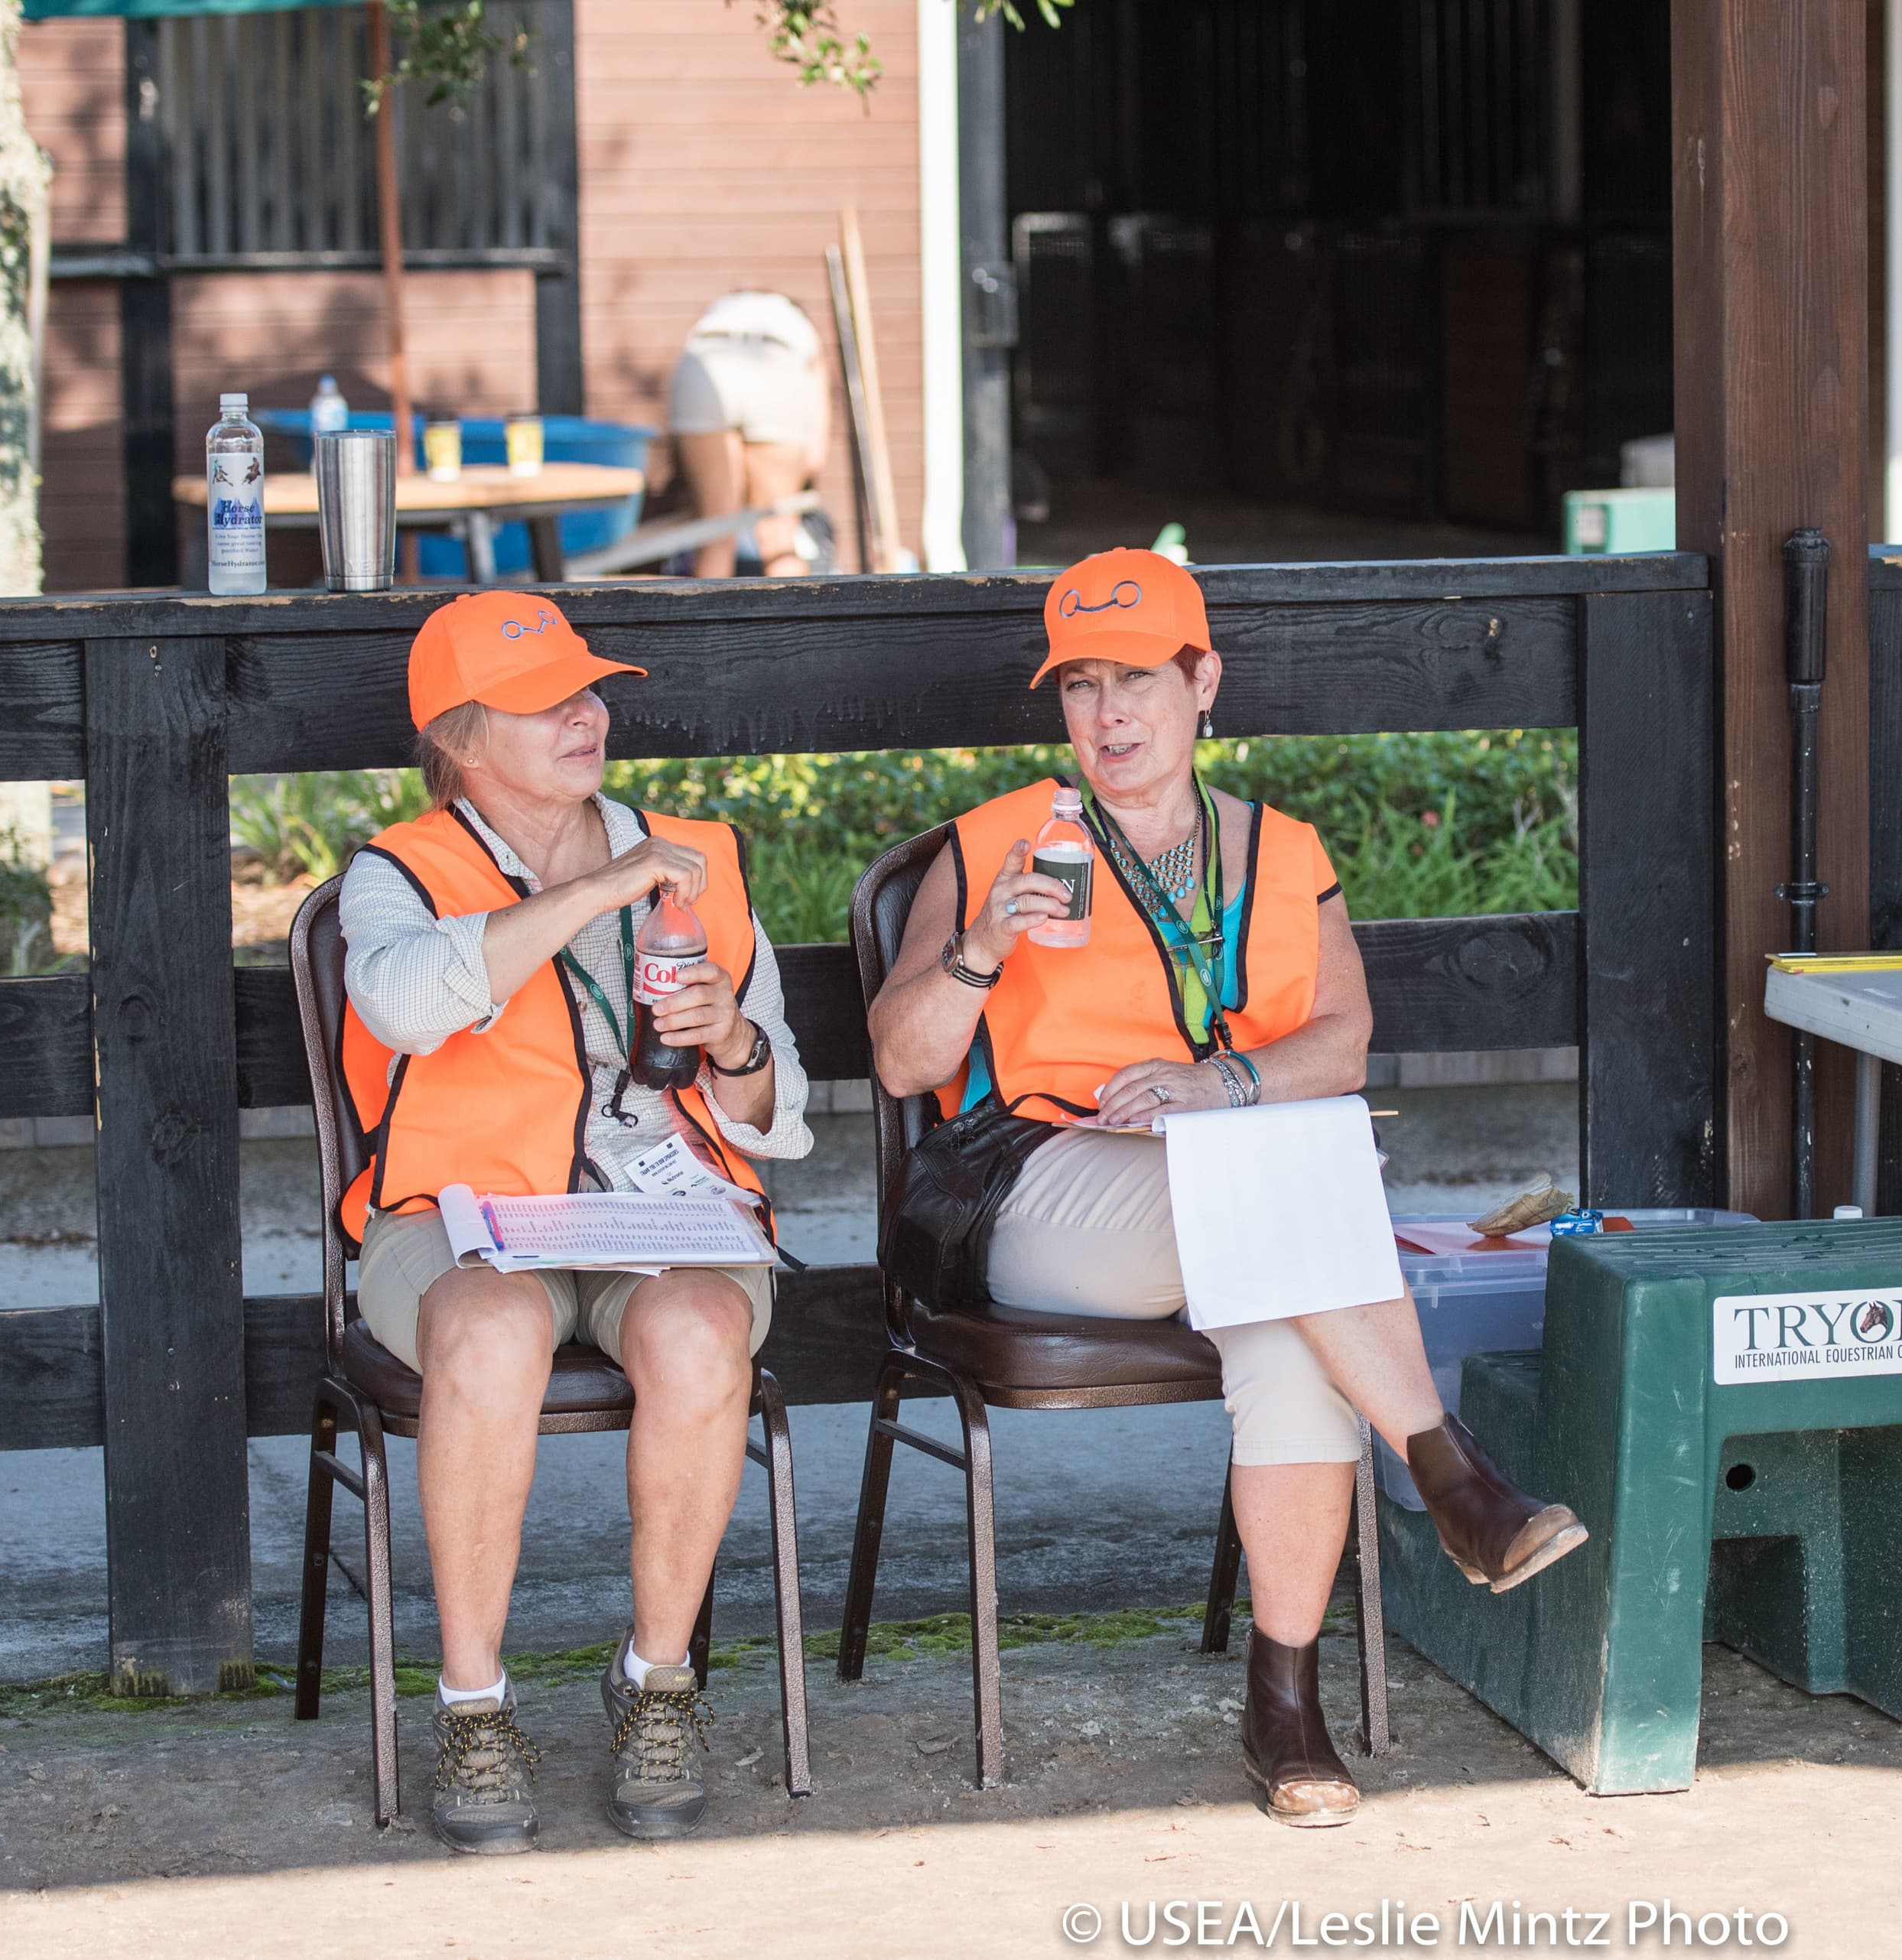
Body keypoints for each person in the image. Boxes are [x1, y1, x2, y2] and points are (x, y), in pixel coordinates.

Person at [868, 548, 1590, 1828]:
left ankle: (1287, 1705)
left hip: (1236, 1200)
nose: (1109, 714)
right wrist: (981, 947)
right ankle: (1454, 1476)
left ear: (1204, 680)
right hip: (1031, 1193)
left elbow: (1341, 1041)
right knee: (1299, 1209)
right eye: (1081, 685)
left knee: (1293, 1339)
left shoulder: (1282, 850)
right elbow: (901, 1060)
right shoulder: (996, 843)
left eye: (1138, 679)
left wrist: (1220, 1083)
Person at [339, 591, 814, 1854]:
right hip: (460, 1218)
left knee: (704, 1336)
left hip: (662, 1216)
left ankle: (658, 1682)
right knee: (490, 1334)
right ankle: (474, 1706)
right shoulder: (399, 870)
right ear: (460, 738)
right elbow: (404, 1004)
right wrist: (593, 888)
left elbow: (780, 1113)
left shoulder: (693, 856)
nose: (586, 714)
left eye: (589, 690)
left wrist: (735, 1038)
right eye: (545, 700)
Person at [667, 290, 829, 578]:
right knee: (779, 537)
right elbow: (815, 458)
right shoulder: (800, 328)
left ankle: (710, 610)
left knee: (716, 534)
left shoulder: (717, 313)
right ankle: (793, 610)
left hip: (706, 365)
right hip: (775, 362)